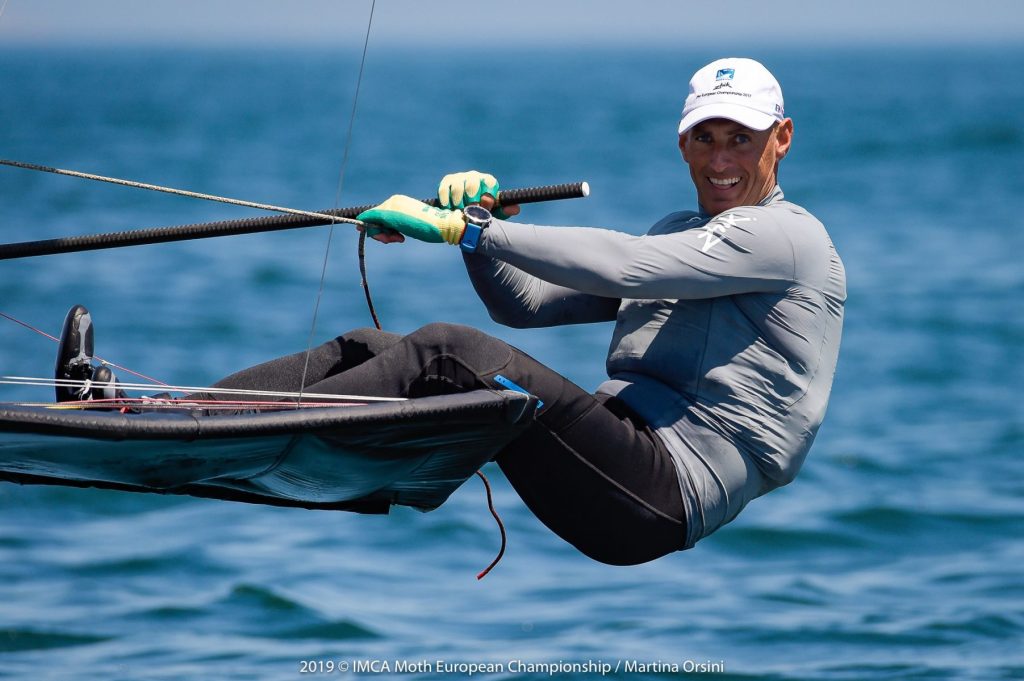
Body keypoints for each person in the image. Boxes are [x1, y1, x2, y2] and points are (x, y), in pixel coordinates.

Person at [57, 58, 845, 566]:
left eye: (739, 139)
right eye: (704, 139)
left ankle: (192, 445)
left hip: (663, 493)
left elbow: (628, 265)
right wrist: (479, 238)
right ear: (682, 147)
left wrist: (469, 225)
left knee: (449, 352)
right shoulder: (684, 234)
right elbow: (529, 308)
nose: (719, 159)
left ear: (780, 139)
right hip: (622, 462)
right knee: (373, 347)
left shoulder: (788, 238)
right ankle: (150, 414)